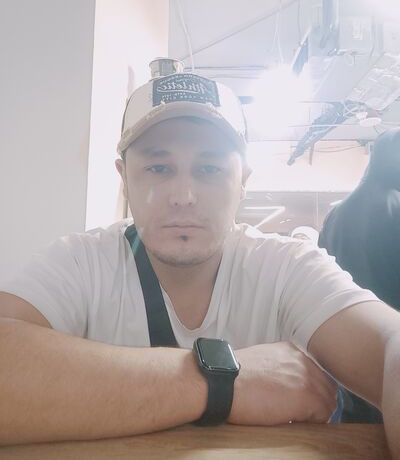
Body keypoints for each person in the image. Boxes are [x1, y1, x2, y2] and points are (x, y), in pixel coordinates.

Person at [0, 64, 399, 457]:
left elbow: (388, 346)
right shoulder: (81, 263)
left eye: (209, 169)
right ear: (125, 179)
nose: (183, 197)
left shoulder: (286, 267)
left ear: (242, 180)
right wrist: (222, 381)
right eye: (158, 168)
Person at [318, 128, 400, 424]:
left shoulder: (336, 214)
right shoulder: (395, 206)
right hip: (392, 341)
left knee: (358, 427)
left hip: (348, 344)